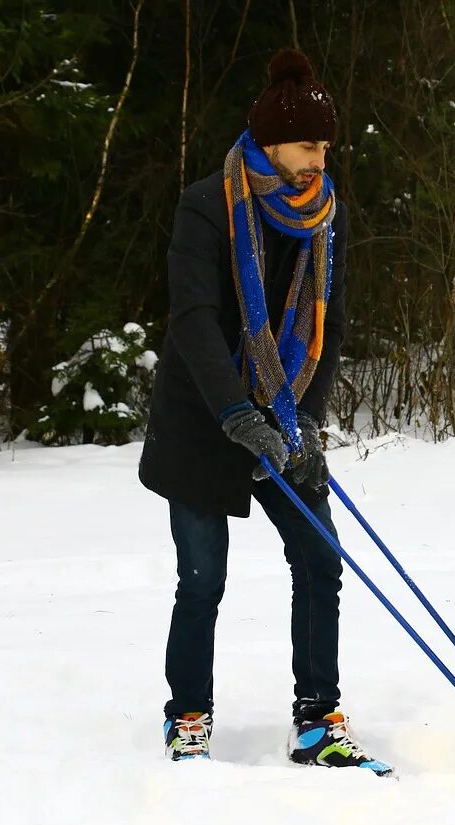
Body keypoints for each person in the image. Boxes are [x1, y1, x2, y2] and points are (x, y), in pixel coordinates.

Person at [139, 46, 389, 774]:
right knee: (203, 578)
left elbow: (329, 325)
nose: (319, 159)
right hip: (201, 414)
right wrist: (233, 412)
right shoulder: (205, 205)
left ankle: (318, 719)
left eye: (325, 146)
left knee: (319, 557)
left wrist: (301, 416)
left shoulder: (324, 215)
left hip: (283, 409)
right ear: (273, 142)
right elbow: (193, 319)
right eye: (308, 145)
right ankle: (189, 714)